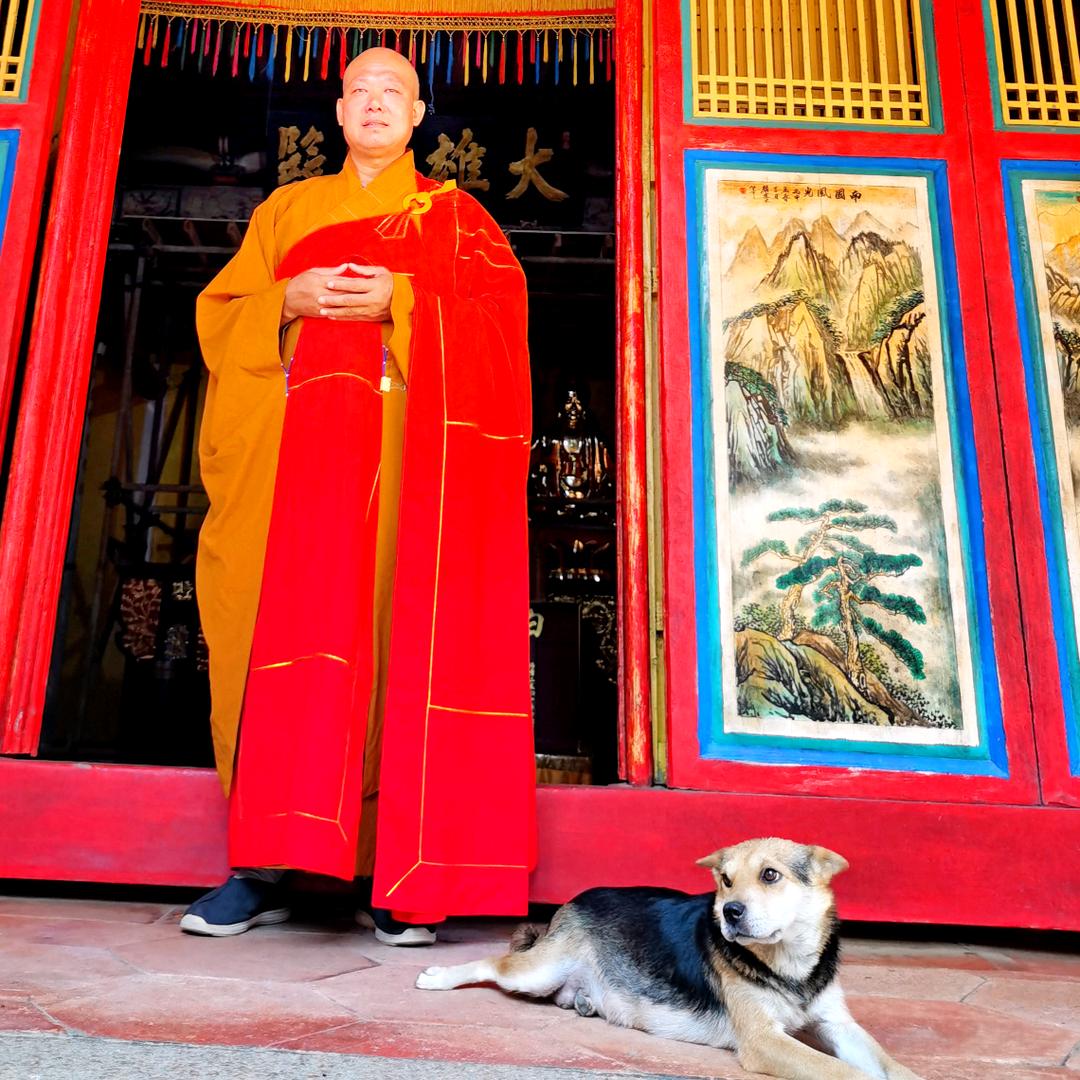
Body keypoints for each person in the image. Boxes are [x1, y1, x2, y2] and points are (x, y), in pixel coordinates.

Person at [180, 47, 535, 944]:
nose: (375, 104)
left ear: (418, 117)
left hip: (403, 474)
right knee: (281, 647)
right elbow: (222, 319)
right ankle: (263, 865)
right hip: (293, 472)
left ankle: (390, 870)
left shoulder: (458, 220)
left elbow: (501, 328)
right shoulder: (286, 211)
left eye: (394, 92)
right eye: (359, 92)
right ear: (337, 113)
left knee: (392, 648)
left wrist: (407, 301)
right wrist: (285, 298)